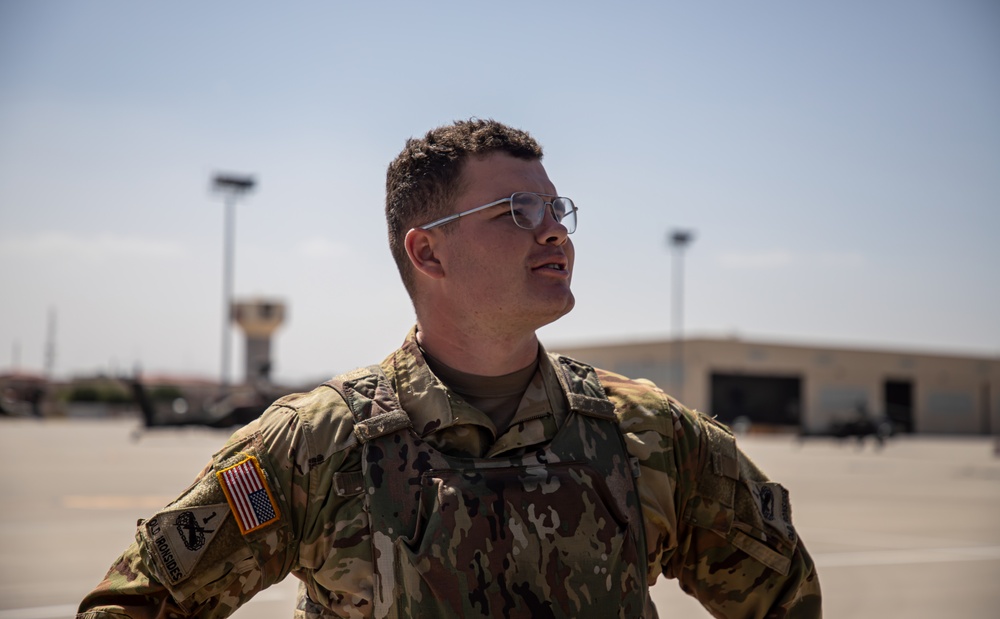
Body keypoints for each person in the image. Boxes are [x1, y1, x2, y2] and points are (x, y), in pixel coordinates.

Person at [78, 119, 821, 618]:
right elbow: (134, 604)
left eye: (556, 208)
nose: (555, 231)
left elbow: (787, 595)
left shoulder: (648, 434)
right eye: (518, 210)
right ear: (428, 251)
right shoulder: (316, 446)